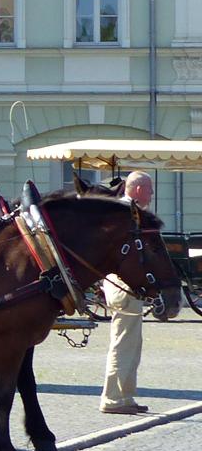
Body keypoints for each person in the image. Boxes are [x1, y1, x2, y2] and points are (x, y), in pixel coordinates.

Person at [100, 170, 153, 415]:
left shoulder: (129, 211)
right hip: (123, 284)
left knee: (132, 342)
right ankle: (112, 398)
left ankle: (126, 395)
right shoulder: (126, 213)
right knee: (123, 342)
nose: (152, 194)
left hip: (127, 284)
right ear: (138, 189)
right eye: (149, 189)